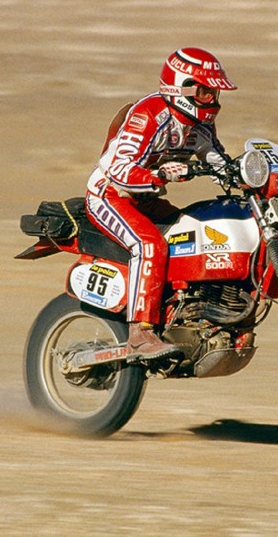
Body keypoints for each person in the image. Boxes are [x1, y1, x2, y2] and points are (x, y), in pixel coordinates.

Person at [85, 47, 237, 360]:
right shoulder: (149, 114)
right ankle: (140, 333)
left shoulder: (199, 125)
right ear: (182, 88)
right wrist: (158, 175)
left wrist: (249, 176)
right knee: (150, 245)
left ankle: (182, 312)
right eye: (206, 91)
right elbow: (115, 168)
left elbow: (219, 162)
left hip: (146, 199)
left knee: (193, 233)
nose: (213, 100)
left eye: (215, 93)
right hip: (110, 195)